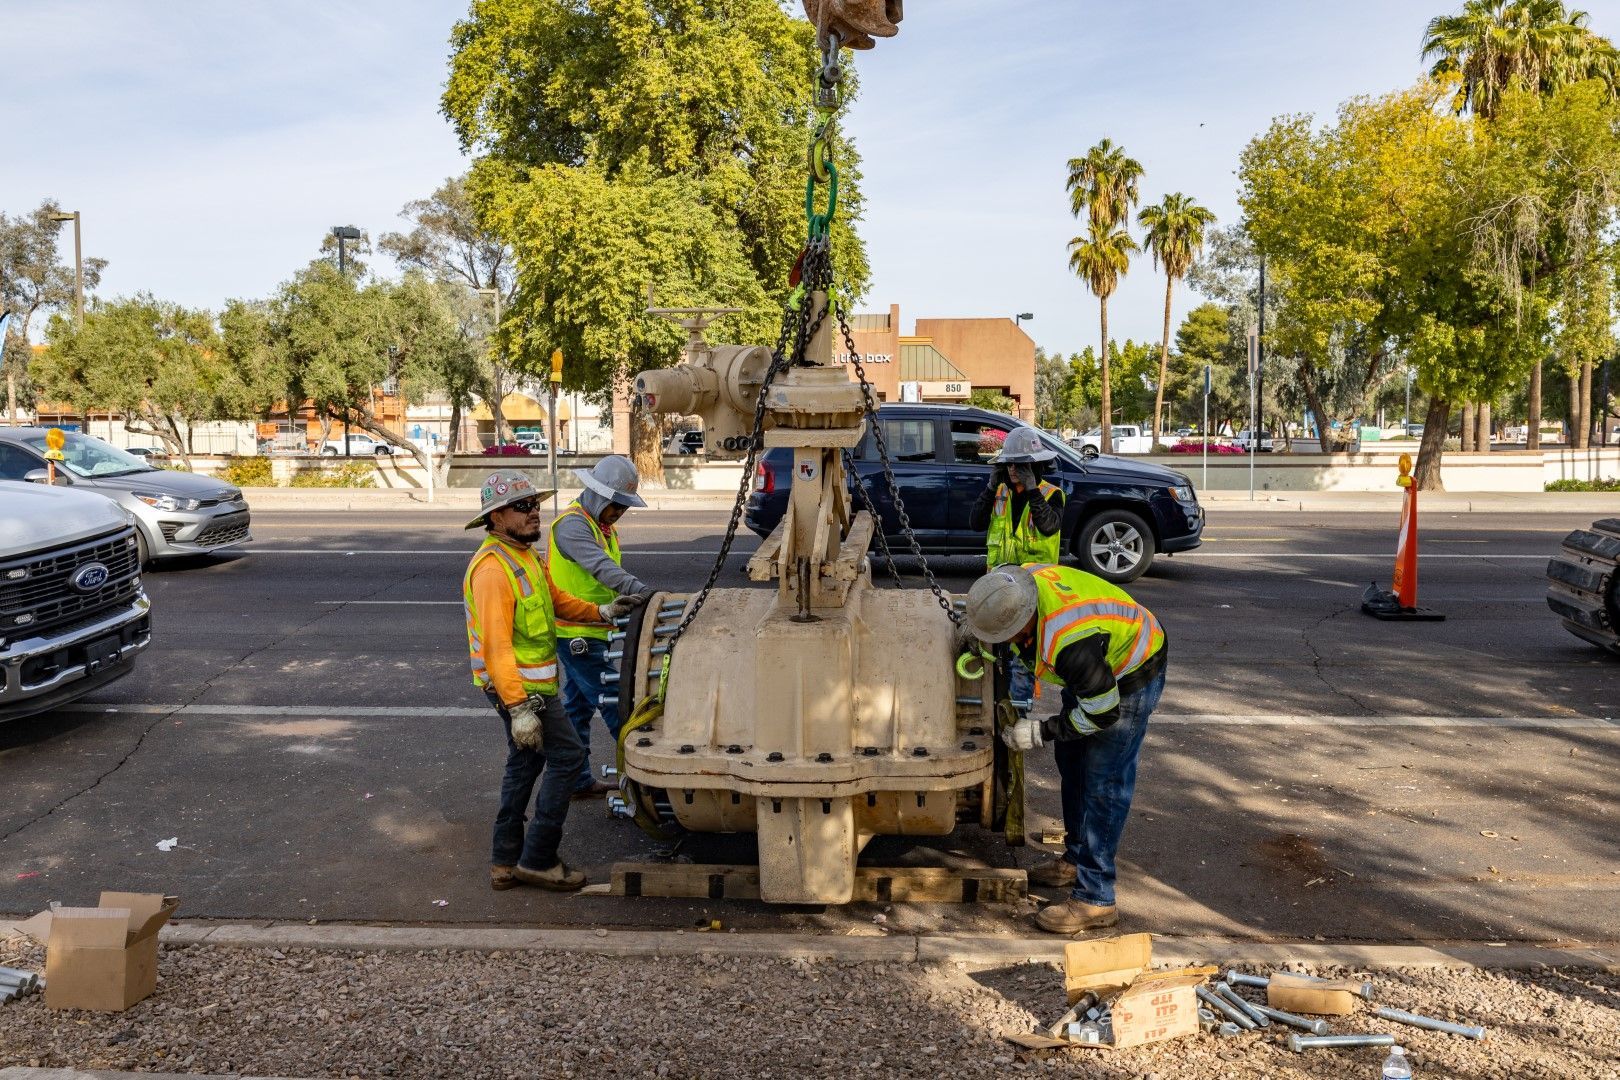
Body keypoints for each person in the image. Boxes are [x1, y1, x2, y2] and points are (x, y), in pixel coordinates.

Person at [463, 469, 645, 892]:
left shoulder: (525, 556)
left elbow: (557, 601)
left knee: (524, 766)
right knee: (565, 757)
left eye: (536, 505)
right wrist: (518, 708)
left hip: (533, 687)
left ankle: (505, 861)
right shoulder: (493, 569)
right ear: (495, 518)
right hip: (522, 692)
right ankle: (539, 858)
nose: (534, 514)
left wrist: (601, 612)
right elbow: (496, 647)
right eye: (522, 507)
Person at [961, 562, 1168, 934]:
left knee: (1104, 783)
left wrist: (1041, 731)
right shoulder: (1015, 585)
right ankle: (1075, 859)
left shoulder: (1069, 643)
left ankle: (1096, 899)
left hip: (1130, 669)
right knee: (1072, 761)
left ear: (1021, 625)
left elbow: (1103, 715)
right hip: (1098, 664)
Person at [548, 455, 655, 797]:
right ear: (598, 496)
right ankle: (643, 784)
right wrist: (645, 594)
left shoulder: (602, 526)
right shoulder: (572, 526)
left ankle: (576, 781)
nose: (619, 513)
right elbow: (601, 568)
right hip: (576, 632)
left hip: (597, 626)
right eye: (616, 506)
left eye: (623, 508)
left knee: (577, 709)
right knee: (615, 706)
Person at [968, 425, 1066, 709]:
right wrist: (989, 487)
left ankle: (1021, 712)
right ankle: (1000, 708)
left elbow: (1048, 526)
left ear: (1035, 466)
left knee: (1022, 658)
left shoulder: (1051, 495)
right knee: (998, 655)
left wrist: (1032, 490)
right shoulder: (999, 494)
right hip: (998, 586)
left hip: (1032, 590)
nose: (1013, 470)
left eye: (1020, 465)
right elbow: (975, 522)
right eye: (1009, 464)